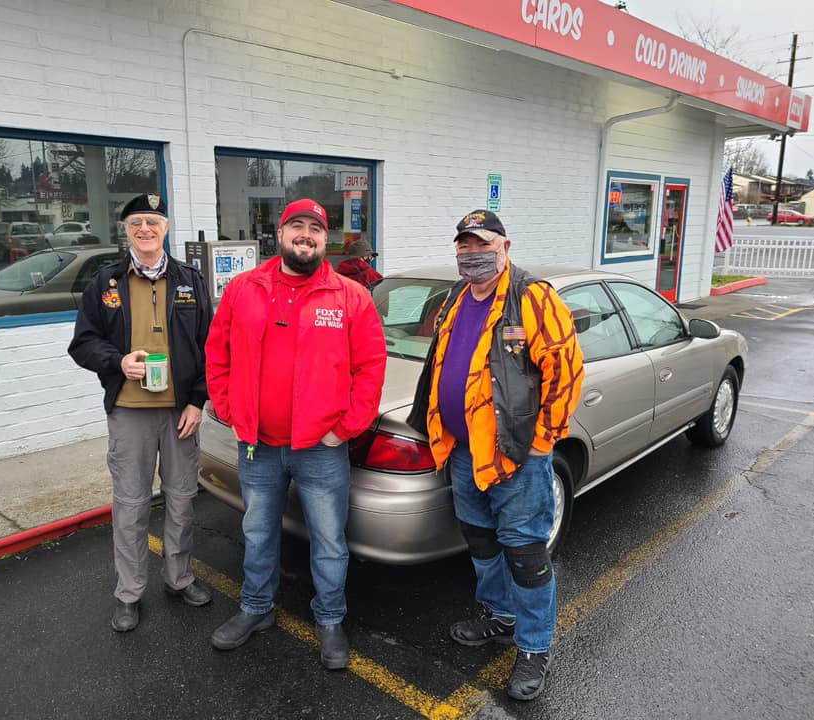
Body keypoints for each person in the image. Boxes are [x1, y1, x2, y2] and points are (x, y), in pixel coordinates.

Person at [407, 209, 584, 701]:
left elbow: (566, 373)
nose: (472, 254)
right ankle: (501, 616)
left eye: (483, 245)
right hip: (464, 450)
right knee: (481, 540)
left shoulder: (533, 298)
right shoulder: (455, 297)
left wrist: (542, 442)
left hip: (517, 455)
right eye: (464, 246)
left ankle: (534, 646)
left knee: (525, 553)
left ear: (505, 247)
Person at [205, 198, 386, 670]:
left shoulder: (351, 297)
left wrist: (346, 428)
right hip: (258, 445)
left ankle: (330, 618)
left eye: (315, 229)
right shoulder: (244, 288)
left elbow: (371, 368)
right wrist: (229, 410)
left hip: (321, 449)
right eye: (297, 226)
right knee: (258, 531)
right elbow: (218, 353)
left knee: (328, 540)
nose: (306, 235)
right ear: (281, 234)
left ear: (325, 240)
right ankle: (255, 607)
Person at [68, 194, 214, 632]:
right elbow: (82, 343)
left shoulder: (190, 280)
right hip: (129, 412)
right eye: (136, 223)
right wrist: (117, 362)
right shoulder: (106, 283)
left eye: (153, 221)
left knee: (182, 499)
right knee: (131, 504)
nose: (145, 229)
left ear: (165, 228)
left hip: (180, 413)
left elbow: (210, 345)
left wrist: (198, 400)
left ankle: (179, 578)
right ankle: (129, 593)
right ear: (127, 231)